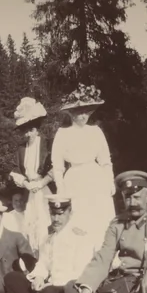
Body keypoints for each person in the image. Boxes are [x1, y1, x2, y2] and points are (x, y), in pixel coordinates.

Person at [2, 194, 101, 293]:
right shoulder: (50, 237)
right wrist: (38, 277)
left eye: (60, 214)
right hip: (48, 287)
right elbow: (43, 263)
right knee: (12, 278)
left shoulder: (80, 236)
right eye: (53, 214)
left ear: (70, 213)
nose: (56, 219)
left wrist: (51, 284)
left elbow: (80, 273)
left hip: (67, 289)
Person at [51, 84, 117, 244]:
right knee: (77, 216)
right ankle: (79, 253)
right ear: (71, 114)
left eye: (85, 113)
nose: (82, 117)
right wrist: (61, 187)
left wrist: (110, 181)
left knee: (99, 215)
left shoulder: (95, 131)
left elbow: (105, 160)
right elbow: (57, 165)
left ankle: (103, 253)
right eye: (78, 113)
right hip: (74, 179)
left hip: (95, 178)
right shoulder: (63, 134)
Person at [10, 96, 55, 252]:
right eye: (25, 131)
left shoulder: (48, 144)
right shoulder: (21, 149)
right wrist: (26, 184)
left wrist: (41, 183)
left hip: (46, 188)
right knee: (30, 224)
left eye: (31, 130)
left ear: (37, 129)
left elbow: (57, 166)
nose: (28, 134)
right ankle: (34, 257)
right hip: (29, 190)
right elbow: (15, 170)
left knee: (47, 220)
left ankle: (49, 254)